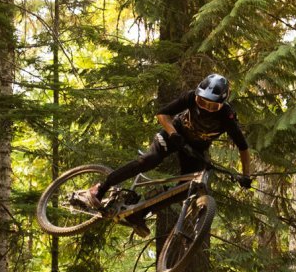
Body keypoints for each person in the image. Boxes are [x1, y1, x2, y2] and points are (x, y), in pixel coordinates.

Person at [85, 73, 253, 210]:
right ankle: (101, 188)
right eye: (201, 102)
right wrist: (173, 134)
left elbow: (243, 147)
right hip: (174, 135)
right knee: (150, 160)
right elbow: (162, 114)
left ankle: (140, 211)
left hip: (195, 150)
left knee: (185, 189)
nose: (205, 108)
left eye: (212, 106)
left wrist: (246, 175)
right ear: (197, 96)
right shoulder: (189, 97)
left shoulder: (227, 117)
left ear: (222, 104)